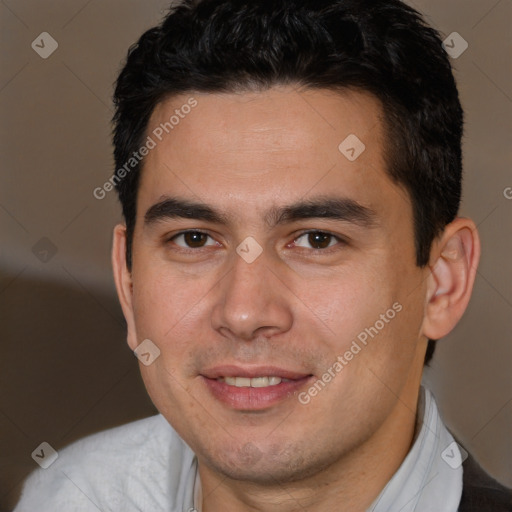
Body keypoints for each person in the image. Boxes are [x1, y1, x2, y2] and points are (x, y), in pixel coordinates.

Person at [15, 0, 512, 510]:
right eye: (194, 239)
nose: (244, 313)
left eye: (317, 239)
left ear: (442, 281)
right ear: (129, 280)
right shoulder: (68, 494)